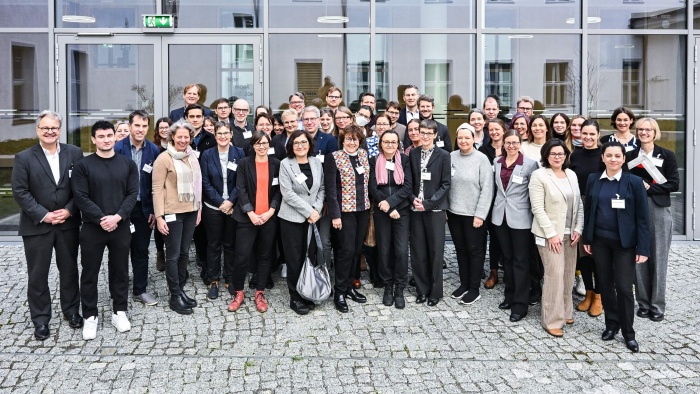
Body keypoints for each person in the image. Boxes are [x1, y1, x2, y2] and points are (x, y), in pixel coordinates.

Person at [12, 110, 85, 341]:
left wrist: (70, 210)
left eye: (54, 128)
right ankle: (41, 320)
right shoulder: (24, 157)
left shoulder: (74, 153)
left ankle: (72, 311)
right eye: (45, 128)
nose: (50, 131)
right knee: (37, 275)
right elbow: (20, 192)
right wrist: (44, 215)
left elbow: (81, 188)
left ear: (60, 130)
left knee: (70, 270)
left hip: (67, 224)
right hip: (37, 226)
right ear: (38, 130)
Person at [72, 120, 138, 340]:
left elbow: (132, 195)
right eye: (101, 137)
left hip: (120, 226)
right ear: (93, 139)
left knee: (119, 271)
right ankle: (90, 315)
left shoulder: (127, 164)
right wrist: (102, 218)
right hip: (92, 227)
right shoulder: (83, 166)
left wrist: (117, 217)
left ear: (115, 137)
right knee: (89, 272)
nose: (106, 140)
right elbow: (81, 197)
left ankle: (119, 311)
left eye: (109, 135)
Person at [583, 141, 650, 353]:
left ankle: (628, 333)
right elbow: (589, 211)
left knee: (623, 288)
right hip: (600, 242)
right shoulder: (594, 180)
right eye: (609, 155)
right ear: (602, 158)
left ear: (623, 159)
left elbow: (642, 219)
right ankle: (611, 325)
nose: (613, 159)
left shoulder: (634, 182)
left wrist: (643, 248)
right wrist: (587, 239)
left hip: (624, 244)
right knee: (605, 285)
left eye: (617, 156)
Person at [625, 118, 679, 322]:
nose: (643, 133)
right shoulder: (629, 156)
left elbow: (673, 184)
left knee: (658, 259)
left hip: (658, 209)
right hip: (635, 211)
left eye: (648, 130)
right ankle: (644, 303)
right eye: (640, 130)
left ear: (655, 132)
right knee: (639, 257)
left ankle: (657, 305)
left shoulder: (667, 155)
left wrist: (649, 188)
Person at [529, 139, 584, 337]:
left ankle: (566, 311)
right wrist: (551, 234)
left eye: (561, 154)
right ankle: (551, 319)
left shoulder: (571, 174)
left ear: (566, 155)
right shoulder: (539, 175)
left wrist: (579, 227)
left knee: (568, 275)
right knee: (554, 275)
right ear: (546, 156)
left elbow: (579, 204)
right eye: (553, 154)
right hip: (549, 235)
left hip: (571, 234)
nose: (557, 157)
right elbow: (538, 208)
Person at [152, 120, 202, 315]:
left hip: (190, 210)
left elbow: (198, 185)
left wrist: (198, 210)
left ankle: (181, 290)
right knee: (172, 255)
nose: (183, 140)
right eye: (179, 136)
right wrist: (159, 217)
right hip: (171, 212)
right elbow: (156, 190)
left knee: (183, 253)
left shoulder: (192, 157)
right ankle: (174, 296)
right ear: (172, 137)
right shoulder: (163, 159)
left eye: (186, 137)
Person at [228, 131, 281, 313]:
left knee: (265, 256)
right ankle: (239, 292)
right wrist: (250, 212)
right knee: (242, 256)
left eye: (265, 143)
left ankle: (260, 292)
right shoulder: (244, 163)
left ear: (269, 145)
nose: (261, 146)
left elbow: (278, 191)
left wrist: (271, 211)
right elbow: (240, 189)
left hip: (268, 217)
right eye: (258, 143)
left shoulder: (276, 164)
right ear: (253, 145)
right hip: (247, 218)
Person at [114, 110, 161, 307]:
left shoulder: (153, 151)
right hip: (120, 209)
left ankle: (139, 290)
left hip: (143, 209)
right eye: (137, 126)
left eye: (144, 126)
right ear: (130, 126)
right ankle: (119, 290)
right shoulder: (117, 148)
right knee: (119, 250)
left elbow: (156, 184)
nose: (141, 130)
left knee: (141, 250)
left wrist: (154, 210)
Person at [491, 130, 538, 323]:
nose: (511, 146)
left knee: (521, 260)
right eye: (508, 143)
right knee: (507, 258)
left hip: (521, 218)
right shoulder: (496, 162)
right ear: (503, 144)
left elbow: (534, 192)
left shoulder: (529, 164)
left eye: (515, 143)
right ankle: (509, 295)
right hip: (500, 216)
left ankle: (521, 303)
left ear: (520, 144)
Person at [278, 130, 325, 315]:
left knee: (309, 256)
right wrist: (309, 211)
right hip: (292, 219)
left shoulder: (315, 162)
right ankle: (295, 297)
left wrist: (316, 210)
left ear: (309, 144)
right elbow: (287, 193)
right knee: (294, 258)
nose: (300, 146)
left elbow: (321, 188)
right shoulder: (285, 164)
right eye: (296, 143)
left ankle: (306, 292)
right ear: (291, 145)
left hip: (313, 218)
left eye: (303, 142)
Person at [325, 125, 371, 313]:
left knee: (356, 250)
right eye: (348, 139)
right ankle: (340, 292)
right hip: (344, 212)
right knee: (345, 251)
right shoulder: (334, 157)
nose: (352, 142)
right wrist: (335, 215)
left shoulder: (363, 155)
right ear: (342, 140)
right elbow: (330, 189)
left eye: (355, 139)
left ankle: (351, 286)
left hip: (363, 209)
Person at [447, 123, 494, 305]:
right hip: (454, 212)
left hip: (473, 214)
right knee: (460, 249)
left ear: (474, 139)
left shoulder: (481, 159)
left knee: (474, 250)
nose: (463, 141)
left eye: (467, 137)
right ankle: (464, 283)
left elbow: (487, 189)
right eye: (460, 138)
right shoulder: (451, 157)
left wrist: (480, 214)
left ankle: (474, 288)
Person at [201, 122, 245, 301]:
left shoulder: (239, 153)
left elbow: (240, 182)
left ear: (231, 134)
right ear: (215, 135)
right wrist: (221, 202)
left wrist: (230, 202)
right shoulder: (207, 155)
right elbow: (204, 182)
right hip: (213, 207)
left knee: (230, 244)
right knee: (213, 244)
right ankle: (214, 280)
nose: (223, 136)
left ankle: (229, 278)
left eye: (226, 133)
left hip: (233, 207)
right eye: (219, 133)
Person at [408, 119, 451, 306]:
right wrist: (412, 199)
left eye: (428, 133)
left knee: (435, 251)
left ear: (435, 135)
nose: (424, 136)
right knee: (418, 252)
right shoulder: (413, 153)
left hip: (435, 210)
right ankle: (421, 290)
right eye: (422, 132)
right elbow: (408, 182)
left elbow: (446, 184)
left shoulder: (443, 155)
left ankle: (435, 292)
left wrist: (429, 203)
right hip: (415, 208)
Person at [369, 129, 412, 308]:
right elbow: (372, 188)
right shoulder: (373, 161)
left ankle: (400, 287)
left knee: (401, 250)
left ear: (398, 144)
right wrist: (386, 206)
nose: (389, 145)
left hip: (401, 211)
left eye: (393, 142)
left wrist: (392, 204)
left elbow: (408, 186)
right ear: (380, 143)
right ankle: (388, 286)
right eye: (386, 142)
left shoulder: (405, 160)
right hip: (382, 211)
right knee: (384, 249)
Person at [568, 119, 605, 317]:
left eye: (592, 134)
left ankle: (599, 296)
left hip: (600, 208)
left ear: (598, 135)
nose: (588, 137)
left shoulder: (604, 154)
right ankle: (588, 293)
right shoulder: (575, 155)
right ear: (579, 135)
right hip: (579, 207)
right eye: (585, 134)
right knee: (583, 254)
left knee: (598, 254)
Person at [479, 119, 507, 288]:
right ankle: (494, 271)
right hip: (490, 198)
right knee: (494, 237)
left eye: (497, 129)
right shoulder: (484, 150)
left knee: (507, 236)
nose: (494, 132)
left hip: (507, 199)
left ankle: (509, 271)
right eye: (491, 129)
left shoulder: (510, 147)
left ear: (504, 130)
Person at [152, 116, 172, 272]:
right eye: (162, 127)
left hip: (173, 193)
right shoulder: (154, 148)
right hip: (159, 191)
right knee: (160, 223)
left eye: (167, 127)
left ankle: (173, 254)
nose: (165, 129)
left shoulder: (176, 145)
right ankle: (160, 252)